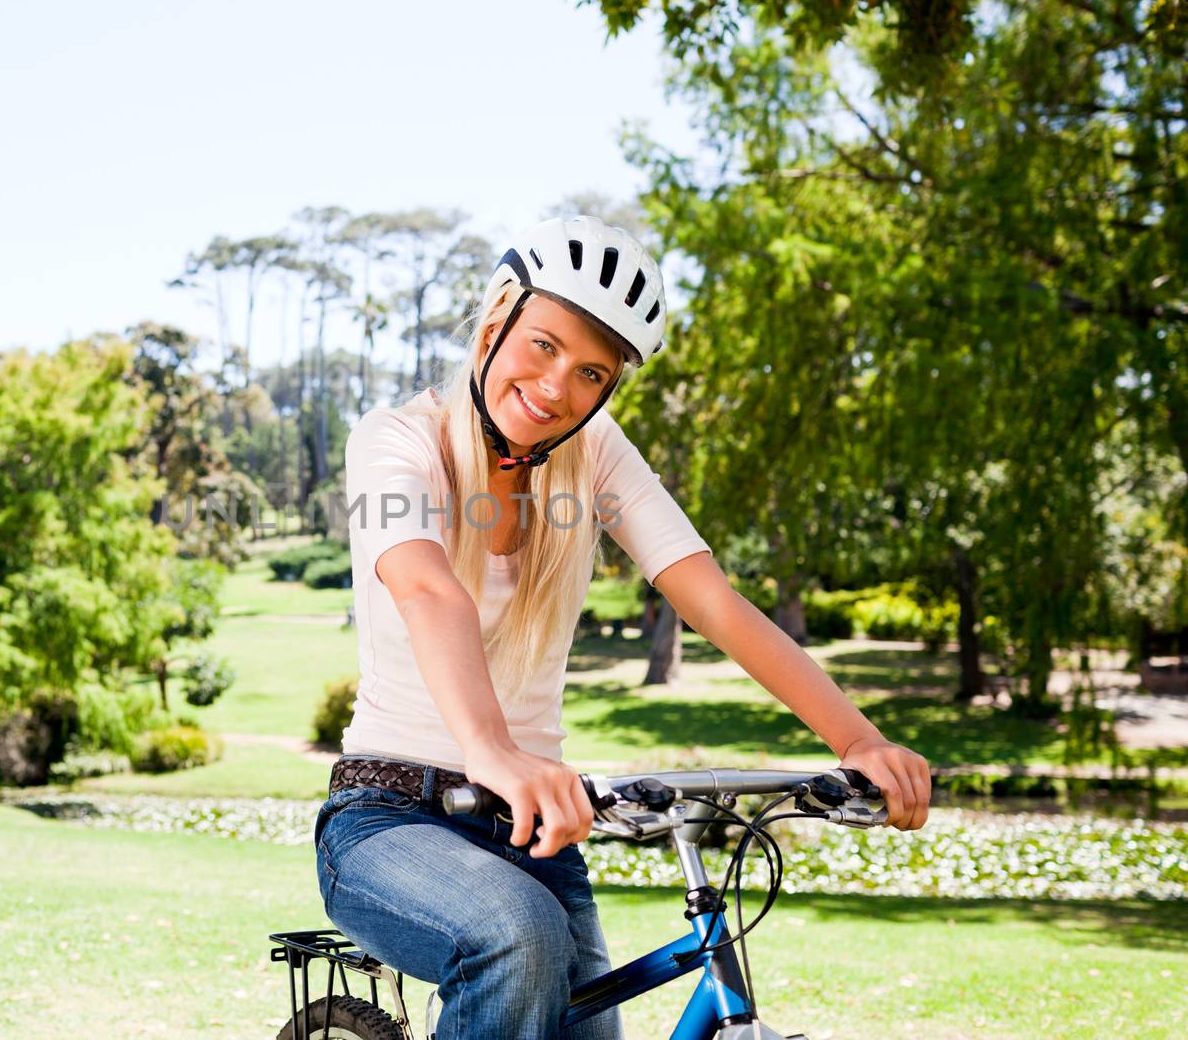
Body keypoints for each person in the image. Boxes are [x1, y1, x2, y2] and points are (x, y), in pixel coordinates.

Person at [314, 216, 932, 1040]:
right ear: (496, 324)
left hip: (536, 831)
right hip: (388, 818)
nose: (556, 384)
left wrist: (858, 739)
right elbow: (429, 589)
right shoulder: (395, 441)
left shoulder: (594, 453)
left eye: (590, 372)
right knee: (516, 934)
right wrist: (495, 751)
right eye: (542, 345)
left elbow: (711, 602)